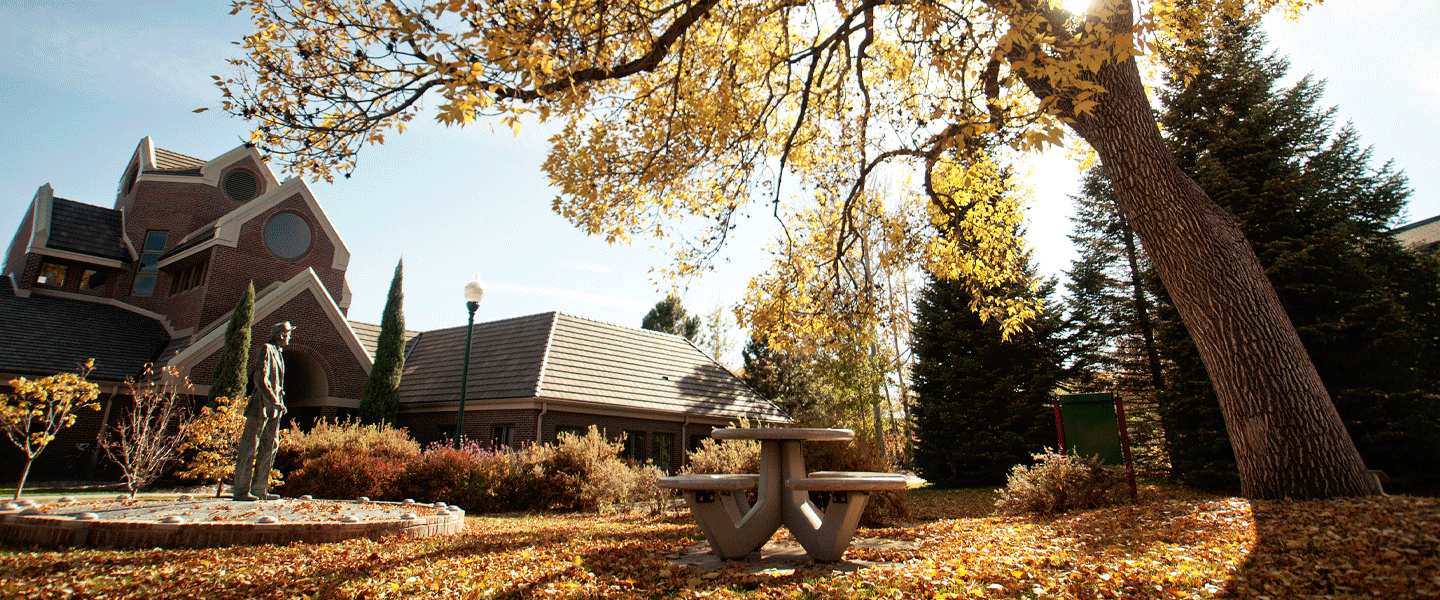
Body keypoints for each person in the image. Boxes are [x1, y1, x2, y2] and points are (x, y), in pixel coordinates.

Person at [233, 321, 295, 501]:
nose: (290, 337)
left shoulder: (279, 354)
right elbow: (260, 378)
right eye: (288, 334)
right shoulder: (266, 349)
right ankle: (241, 491)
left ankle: (260, 489)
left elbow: (276, 383)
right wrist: (273, 400)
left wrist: (279, 400)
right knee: (249, 447)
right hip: (260, 406)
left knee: (270, 447)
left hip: (274, 409)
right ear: (282, 335)